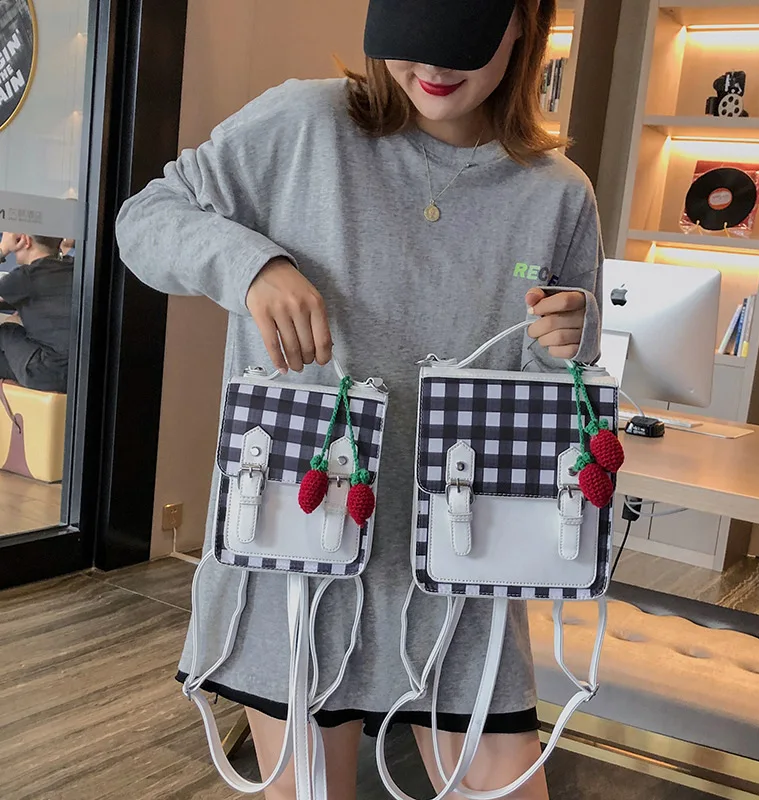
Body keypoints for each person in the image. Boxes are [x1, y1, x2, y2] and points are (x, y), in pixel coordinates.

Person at [116, 0, 603, 796]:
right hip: (301, 549)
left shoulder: (556, 194)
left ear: (523, 22)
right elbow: (144, 221)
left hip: (465, 561)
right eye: (414, 37)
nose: (433, 67)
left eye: (461, 41)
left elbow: (559, 395)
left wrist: (573, 339)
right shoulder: (305, 125)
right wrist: (251, 265)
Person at [0, 233, 73, 394]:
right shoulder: (73, 266)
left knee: (6, 330)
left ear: (25, 240)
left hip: (46, 373)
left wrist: (2, 249)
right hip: (78, 372)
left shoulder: (25, 277)